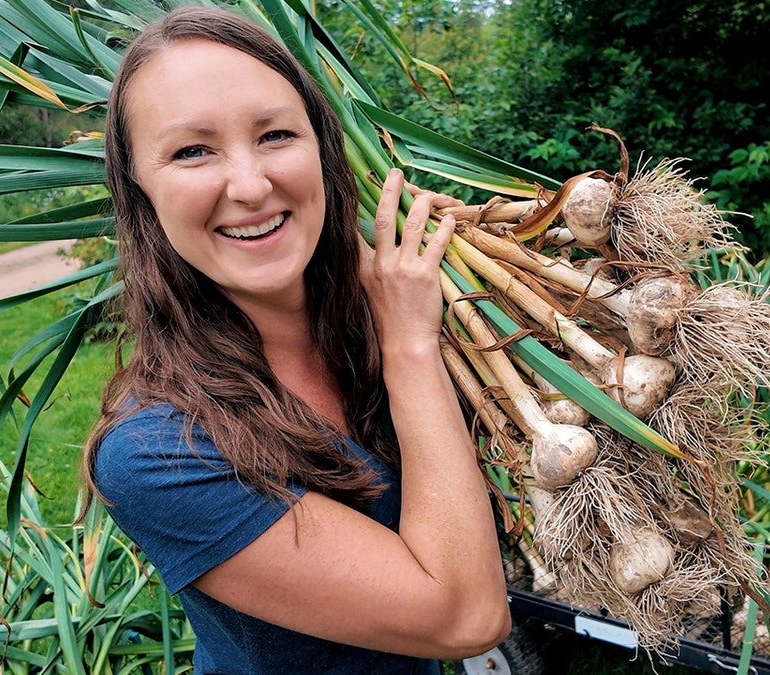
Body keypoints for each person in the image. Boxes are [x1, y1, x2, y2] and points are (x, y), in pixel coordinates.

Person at [80, 5, 512, 674]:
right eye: (192, 150)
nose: (251, 186)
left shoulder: (374, 327)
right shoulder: (155, 452)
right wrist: (411, 349)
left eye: (276, 134)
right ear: (138, 184)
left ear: (323, 146)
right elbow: (465, 615)